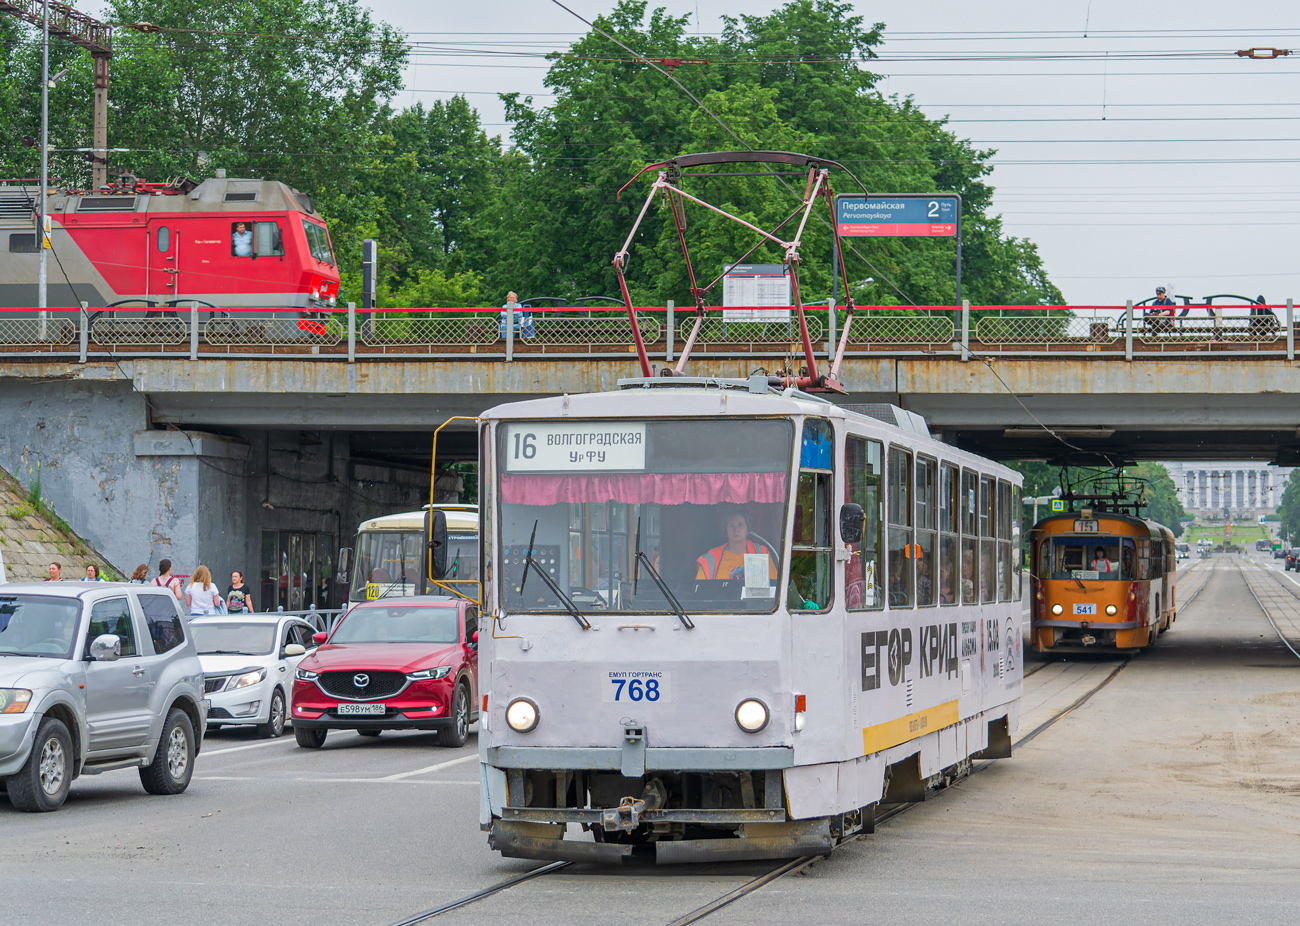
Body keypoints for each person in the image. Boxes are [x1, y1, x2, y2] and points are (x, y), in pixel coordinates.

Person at [695, 506, 777, 582]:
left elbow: (774, 587)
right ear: (726, 530)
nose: (736, 529)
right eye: (731, 525)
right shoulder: (711, 558)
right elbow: (701, 591)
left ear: (747, 529)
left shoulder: (760, 552)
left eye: (740, 525)